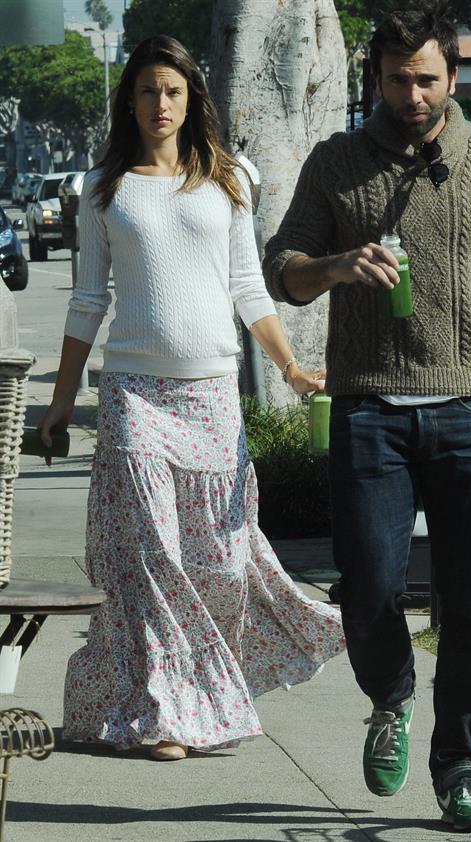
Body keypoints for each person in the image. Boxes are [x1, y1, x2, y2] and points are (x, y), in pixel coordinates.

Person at [263, 2, 471, 831]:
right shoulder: (335, 163)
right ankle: (392, 697)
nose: (412, 94)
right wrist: (336, 265)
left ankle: (461, 767)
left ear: (452, 80)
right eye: (398, 79)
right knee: (366, 591)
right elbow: (281, 271)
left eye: (427, 79)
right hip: (370, 408)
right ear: (376, 79)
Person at [40, 34, 344, 762]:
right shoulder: (103, 187)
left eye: (172, 91)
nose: (160, 105)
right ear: (130, 100)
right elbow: (88, 299)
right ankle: (163, 713)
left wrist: (293, 368)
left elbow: (246, 285)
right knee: (150, 557)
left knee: (217, 560)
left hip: (212, 395)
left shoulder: (232, 177)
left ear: (192, 98)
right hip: (133, 396)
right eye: (147, 91)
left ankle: (198, 690)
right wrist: (58, 404)